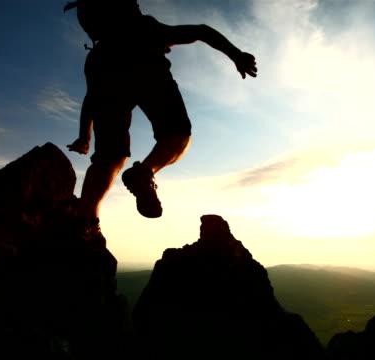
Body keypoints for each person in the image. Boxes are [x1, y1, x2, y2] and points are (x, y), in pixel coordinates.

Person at [63, 0, 257, 236]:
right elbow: (201, 31)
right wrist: (236, 55)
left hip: (107, 72)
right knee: (177, 136)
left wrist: (85, 135)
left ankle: (86, 222)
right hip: (150, 69)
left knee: (109, 157)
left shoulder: (97, 57)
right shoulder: (146, 29)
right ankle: (145, 172)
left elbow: (91, 97)